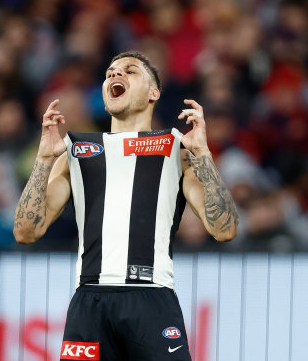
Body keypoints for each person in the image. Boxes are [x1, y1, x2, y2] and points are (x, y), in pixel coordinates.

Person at [13, 51, 238, 361]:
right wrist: (43, 160)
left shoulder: (177, 150)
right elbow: (26, 232)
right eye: (109, 73)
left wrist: (203, 155)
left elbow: (224, 229)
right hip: (90, 302)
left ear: (153, 92)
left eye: (130, 71)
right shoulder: (75, 153)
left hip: (152, 298)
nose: (115, 76)